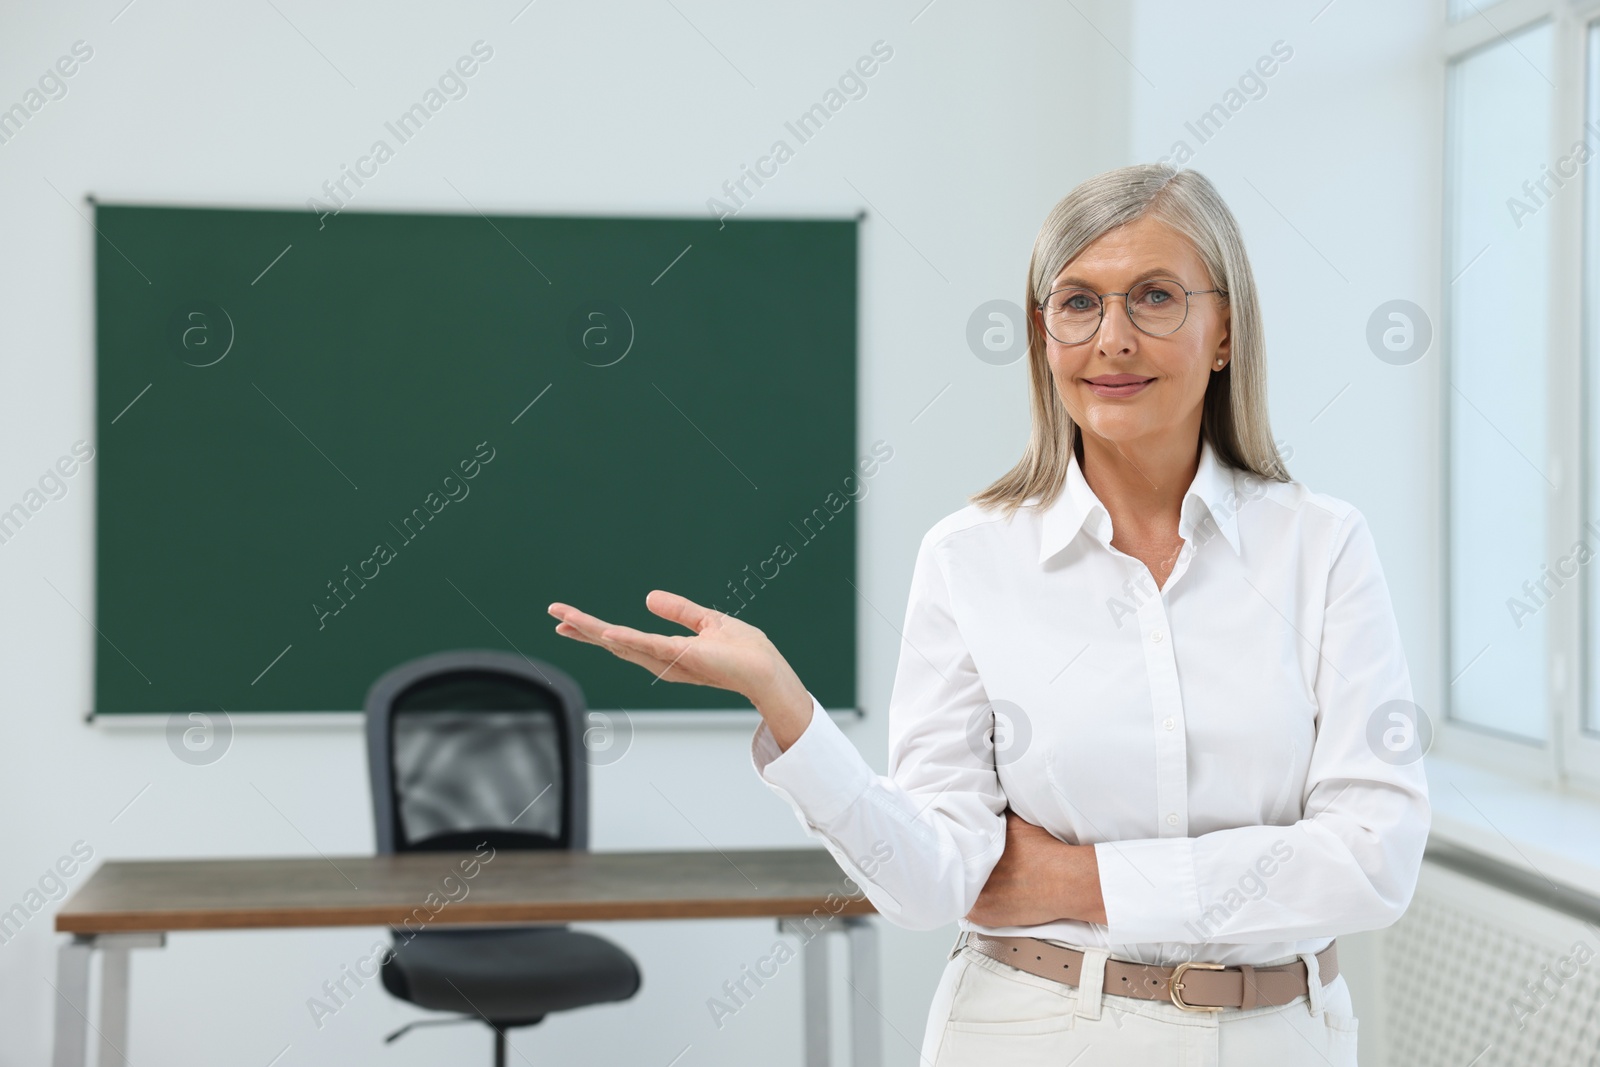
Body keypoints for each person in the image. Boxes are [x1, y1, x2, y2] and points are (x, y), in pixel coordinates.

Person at [548, 162, 1430, 1065]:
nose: (1112, 339)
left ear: (1224, 332)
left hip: (1281, 1036)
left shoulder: (1322, 547)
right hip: (1030, 1030)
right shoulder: (969, 558)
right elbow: (934, 884)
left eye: (1155, 297)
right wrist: (786, 705)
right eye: (1077, 303)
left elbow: (1374, 857)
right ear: (1043, 335)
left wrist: (1080, 878)